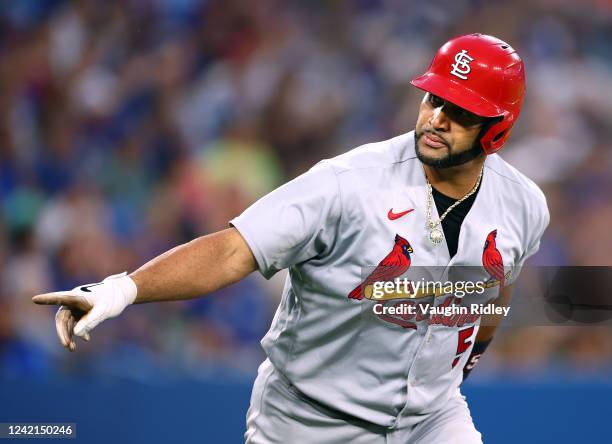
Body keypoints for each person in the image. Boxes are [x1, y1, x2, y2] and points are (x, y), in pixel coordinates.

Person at [32, 33, 549, 443]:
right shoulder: (346, 183)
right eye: (435, 98)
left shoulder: (524, 205)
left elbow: (495, 283)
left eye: (460, 111)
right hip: (308, 419)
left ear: (497, 129)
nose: (437, 118)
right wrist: (121, 291)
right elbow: (233, 249)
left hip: (431, 420)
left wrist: (472, 354)